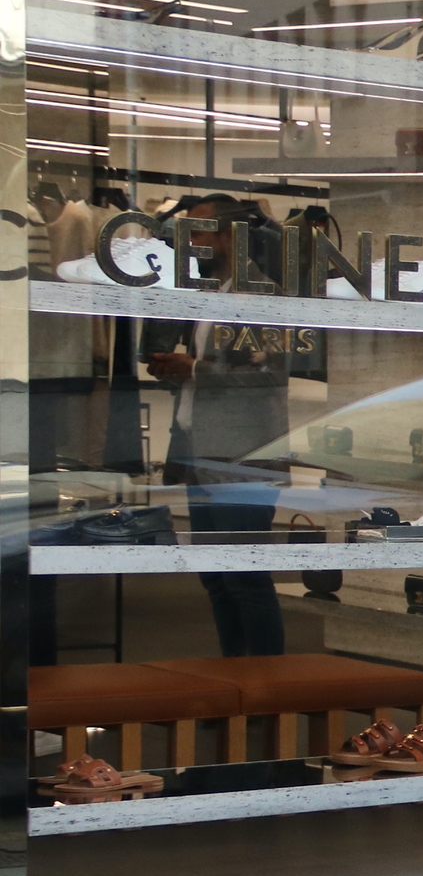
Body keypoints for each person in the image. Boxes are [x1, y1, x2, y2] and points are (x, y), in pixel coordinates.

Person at [144, 195, 291, 657]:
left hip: (242, 458)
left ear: (230, 237)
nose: (190, 244)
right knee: (216, 578)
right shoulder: (209, 294)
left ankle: (268, 693)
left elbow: (271, 374)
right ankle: (235, 682)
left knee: (244, 576)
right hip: (200, 452)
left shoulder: (260, 295)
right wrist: (179, 369)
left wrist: (193, 369)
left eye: (200, 234)